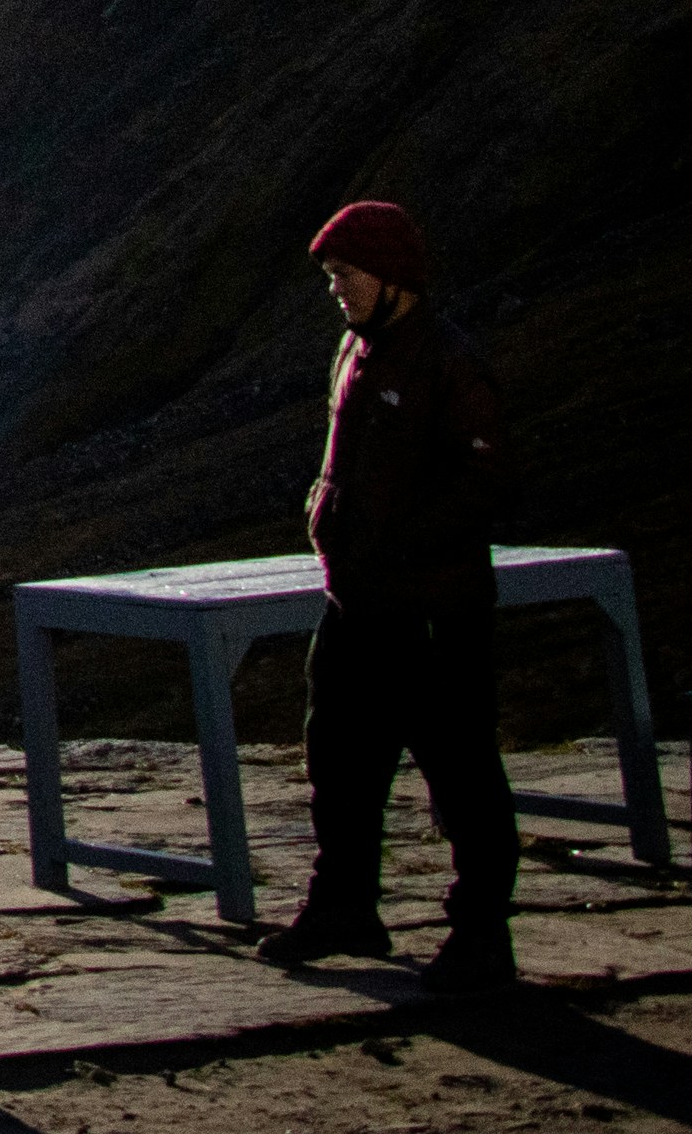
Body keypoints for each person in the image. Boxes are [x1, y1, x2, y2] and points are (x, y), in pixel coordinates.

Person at [258, 199, 516, 991]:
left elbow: (482, 479)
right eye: (333, 276)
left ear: (392, 278)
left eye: (346, 275)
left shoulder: (447, 361)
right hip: (358, 602)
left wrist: (399, 547)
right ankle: (344, 905)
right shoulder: (357, 351)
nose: (337, 289)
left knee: (460, 766)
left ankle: (480, 931)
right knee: (337, 754)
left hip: (431, 610)